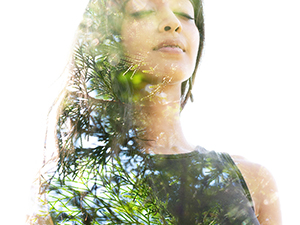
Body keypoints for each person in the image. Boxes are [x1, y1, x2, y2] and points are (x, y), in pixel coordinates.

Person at [27, 0, 282, 224]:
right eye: (144, 11)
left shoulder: (251, 182)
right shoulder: (70, 191)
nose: (172, 22)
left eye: (185, 14)